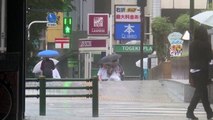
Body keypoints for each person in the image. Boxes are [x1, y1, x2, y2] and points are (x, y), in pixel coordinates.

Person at [187, 25, 213, 120]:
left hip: (194, 71)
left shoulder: (192, 44)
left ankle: (209, 113)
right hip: (203, 71)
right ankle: (190, 111)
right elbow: (209, 58)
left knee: (203, 93)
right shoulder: (206, 44)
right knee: (199, 92)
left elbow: (190, 58)